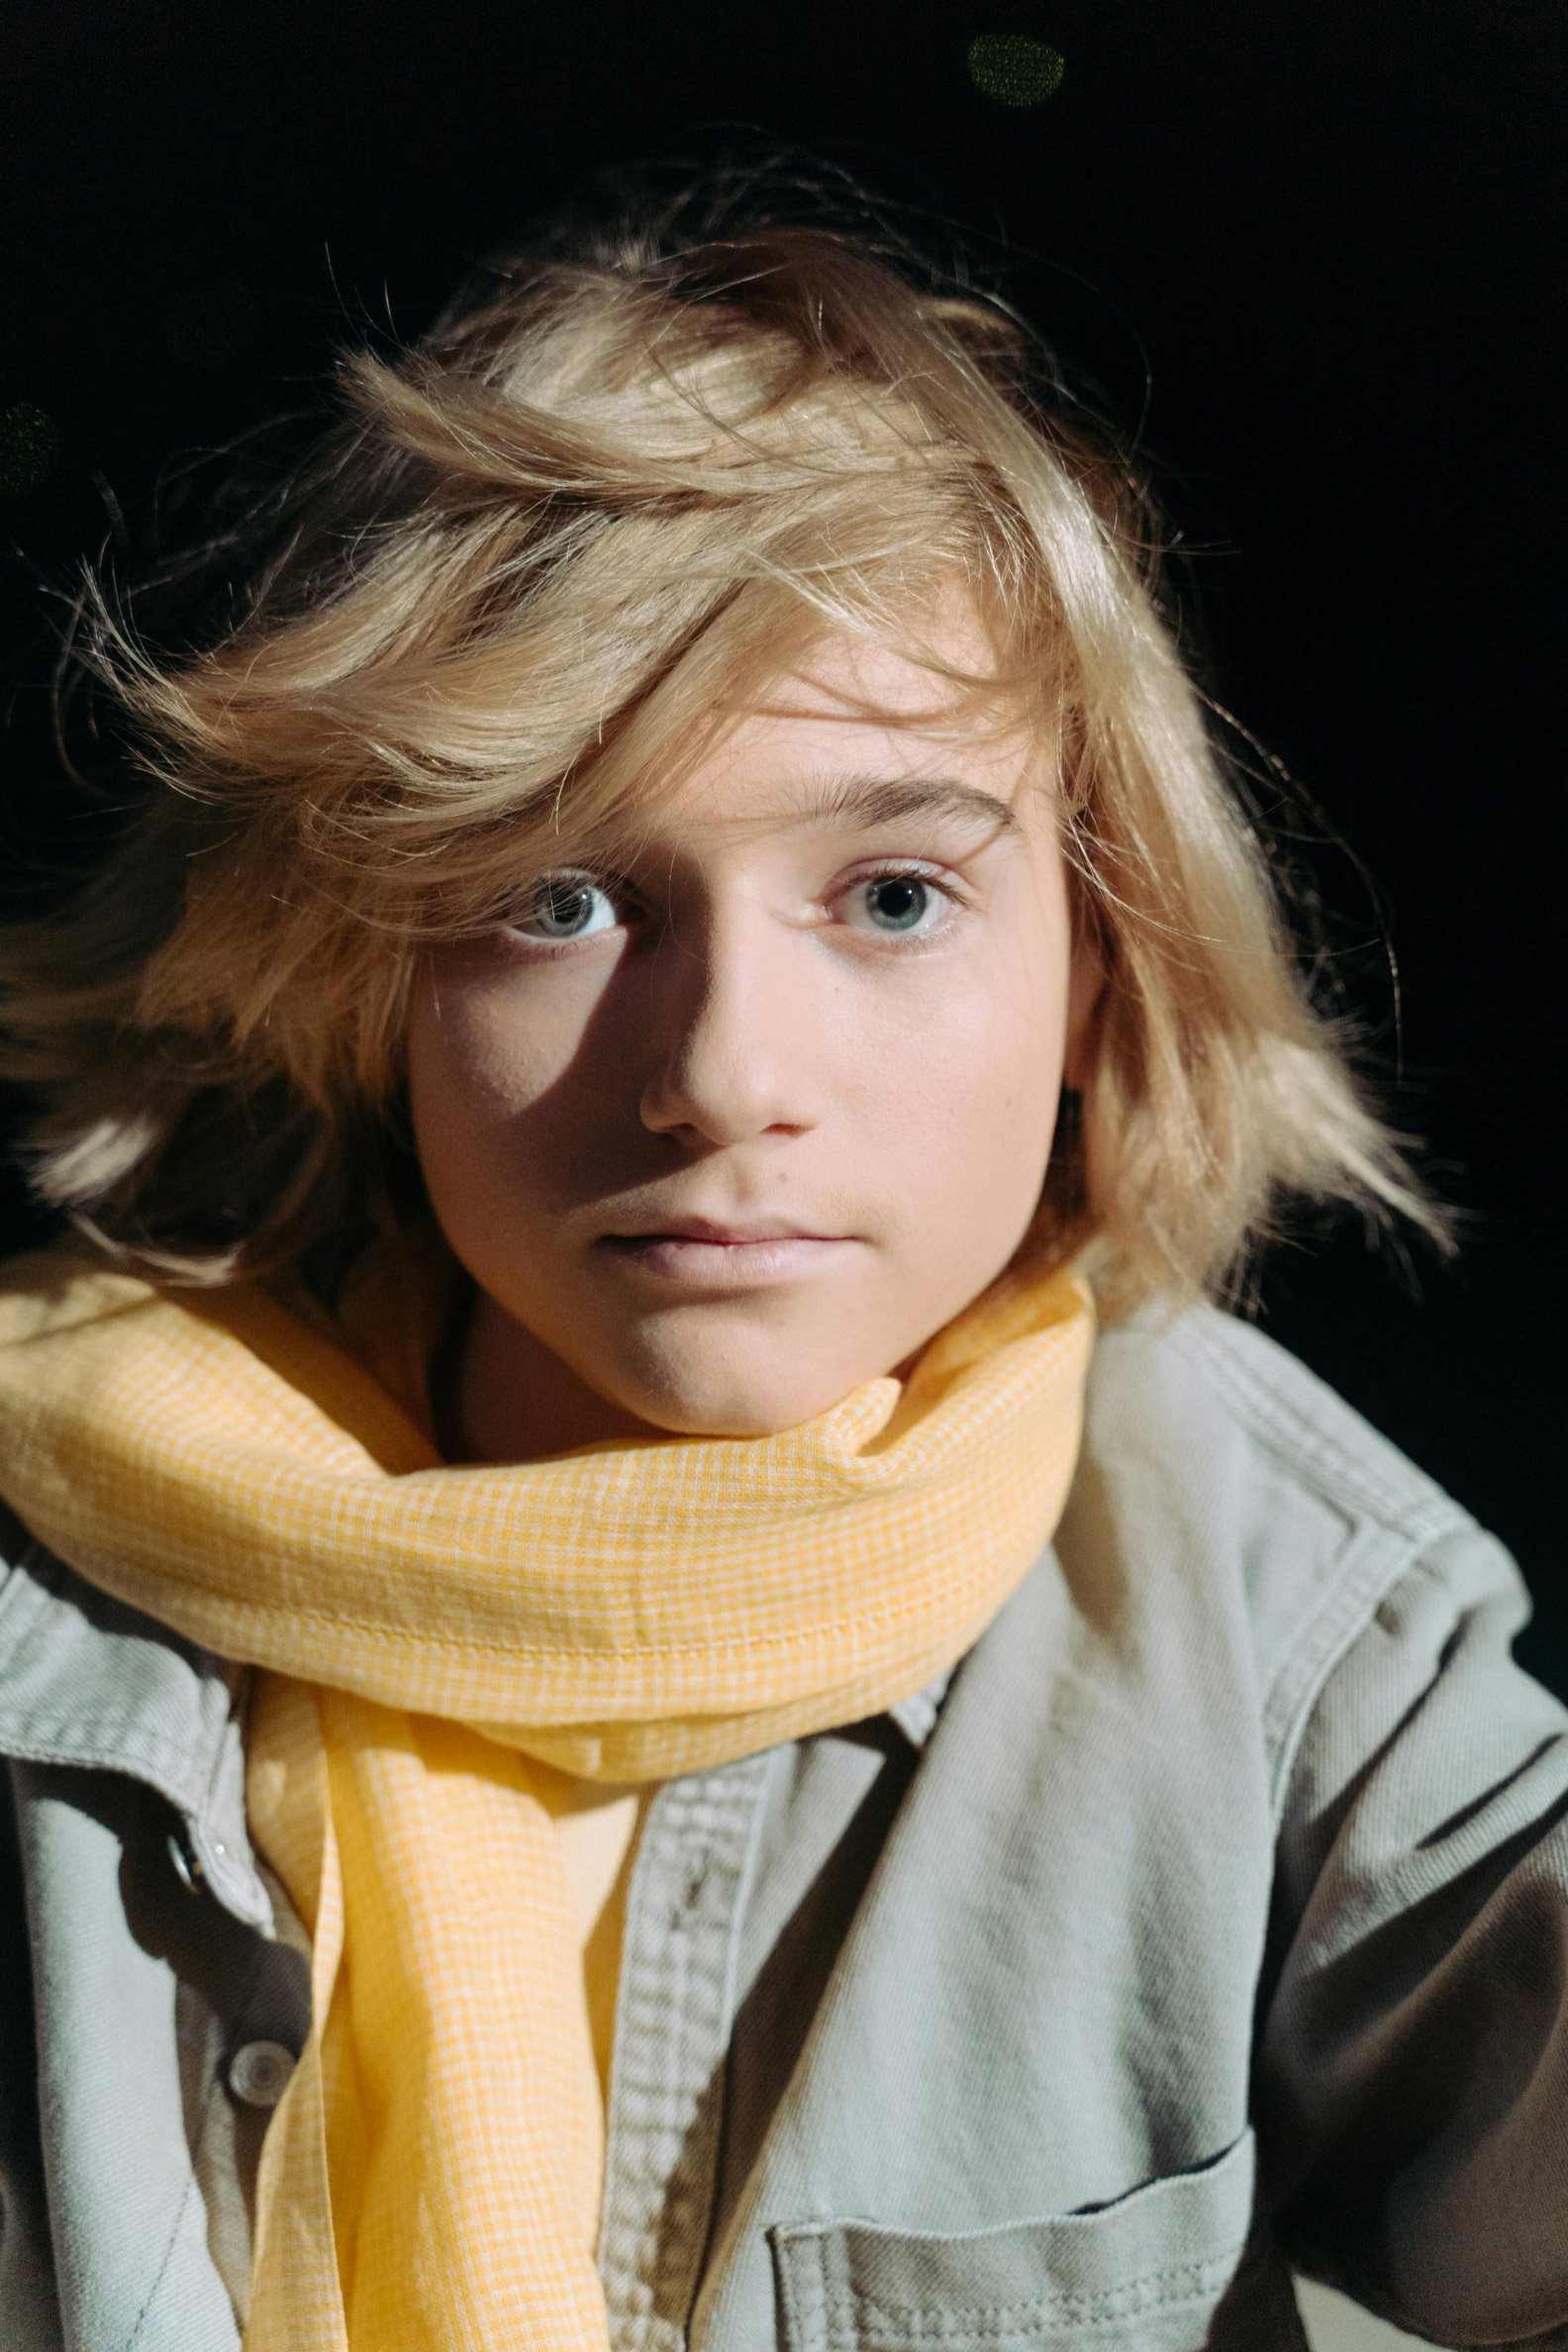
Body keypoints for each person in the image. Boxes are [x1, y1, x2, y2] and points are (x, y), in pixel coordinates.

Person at [0, 171, 1562, 2352]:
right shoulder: (43, 1587)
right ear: (365, 970)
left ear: (1101, 969)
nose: (724, 1077)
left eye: (895, 896)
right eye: (556, 898)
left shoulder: (1291, 1630)